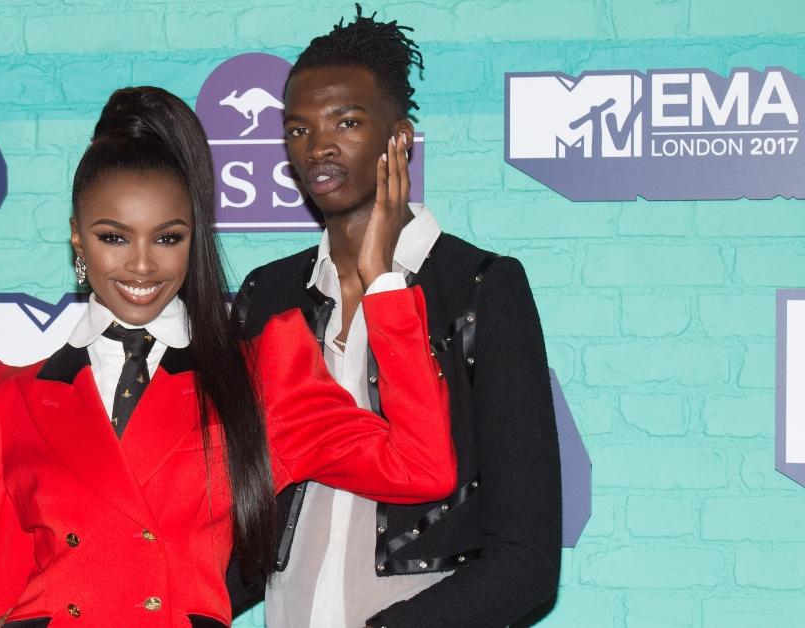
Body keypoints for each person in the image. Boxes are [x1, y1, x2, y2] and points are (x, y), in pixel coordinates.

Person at [0, 86, 455, 627]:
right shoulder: (5, 396)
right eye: (114, 237)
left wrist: (382, 281)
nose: (142, 266)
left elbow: (421, 466)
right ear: (78, 239)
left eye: (167, 238)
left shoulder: (262, 377)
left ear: (193, 238)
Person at [228, 7, 562, 627]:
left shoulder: (481, 289)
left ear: (399, 138)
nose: (319, 146)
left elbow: (527, 558)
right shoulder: (269, 293)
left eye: (346, 122)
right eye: (298, 130)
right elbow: (240, 508)